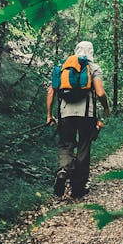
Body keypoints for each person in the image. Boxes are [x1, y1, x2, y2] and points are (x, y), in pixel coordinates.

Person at [46, 41, 109, 198]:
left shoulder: (63, 67)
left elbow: (51, 92)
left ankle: (63, 171)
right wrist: (106, 108)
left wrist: (49, 115)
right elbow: (100, 93)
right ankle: (77, 188)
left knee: (66, 144)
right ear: (92, 52)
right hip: (86, 115)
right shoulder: (93, 68)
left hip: (65, 114)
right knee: (83, 147)